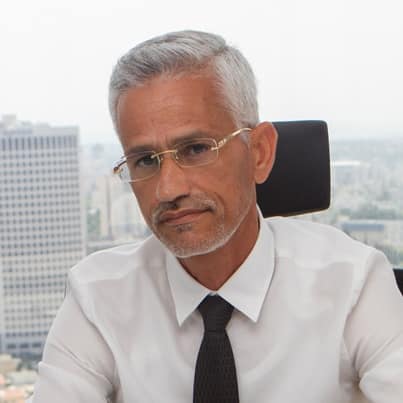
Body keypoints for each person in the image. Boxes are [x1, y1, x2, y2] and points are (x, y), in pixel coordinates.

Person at [29, 30, 403, 403]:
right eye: (145, 160)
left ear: (259, 152)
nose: (168, 189)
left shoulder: (353, 282)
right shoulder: (98, 296)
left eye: (195, 149)